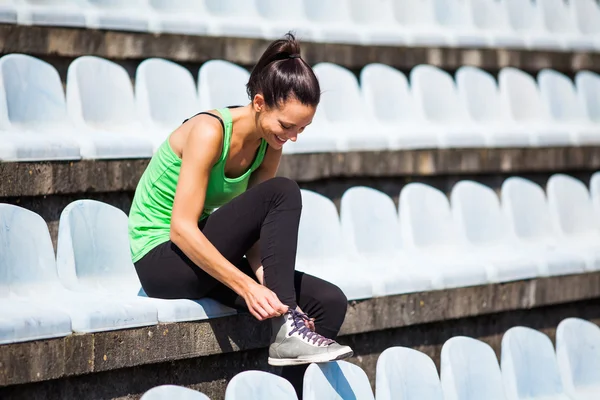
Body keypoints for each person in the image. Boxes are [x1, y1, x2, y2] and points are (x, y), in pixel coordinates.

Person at [127, 32, 353, 394]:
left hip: (200, 255)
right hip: (163, 259)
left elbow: (254, 235)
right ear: (260, 103)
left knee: (328, 302)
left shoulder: (269, 144)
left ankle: (289, 383)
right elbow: (181, 229)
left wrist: (270, 289)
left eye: (302, 129)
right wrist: (247, 286)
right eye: (287, 125)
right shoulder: (208, 131)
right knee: (283, 191)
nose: (293, 137)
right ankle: (289, 328)